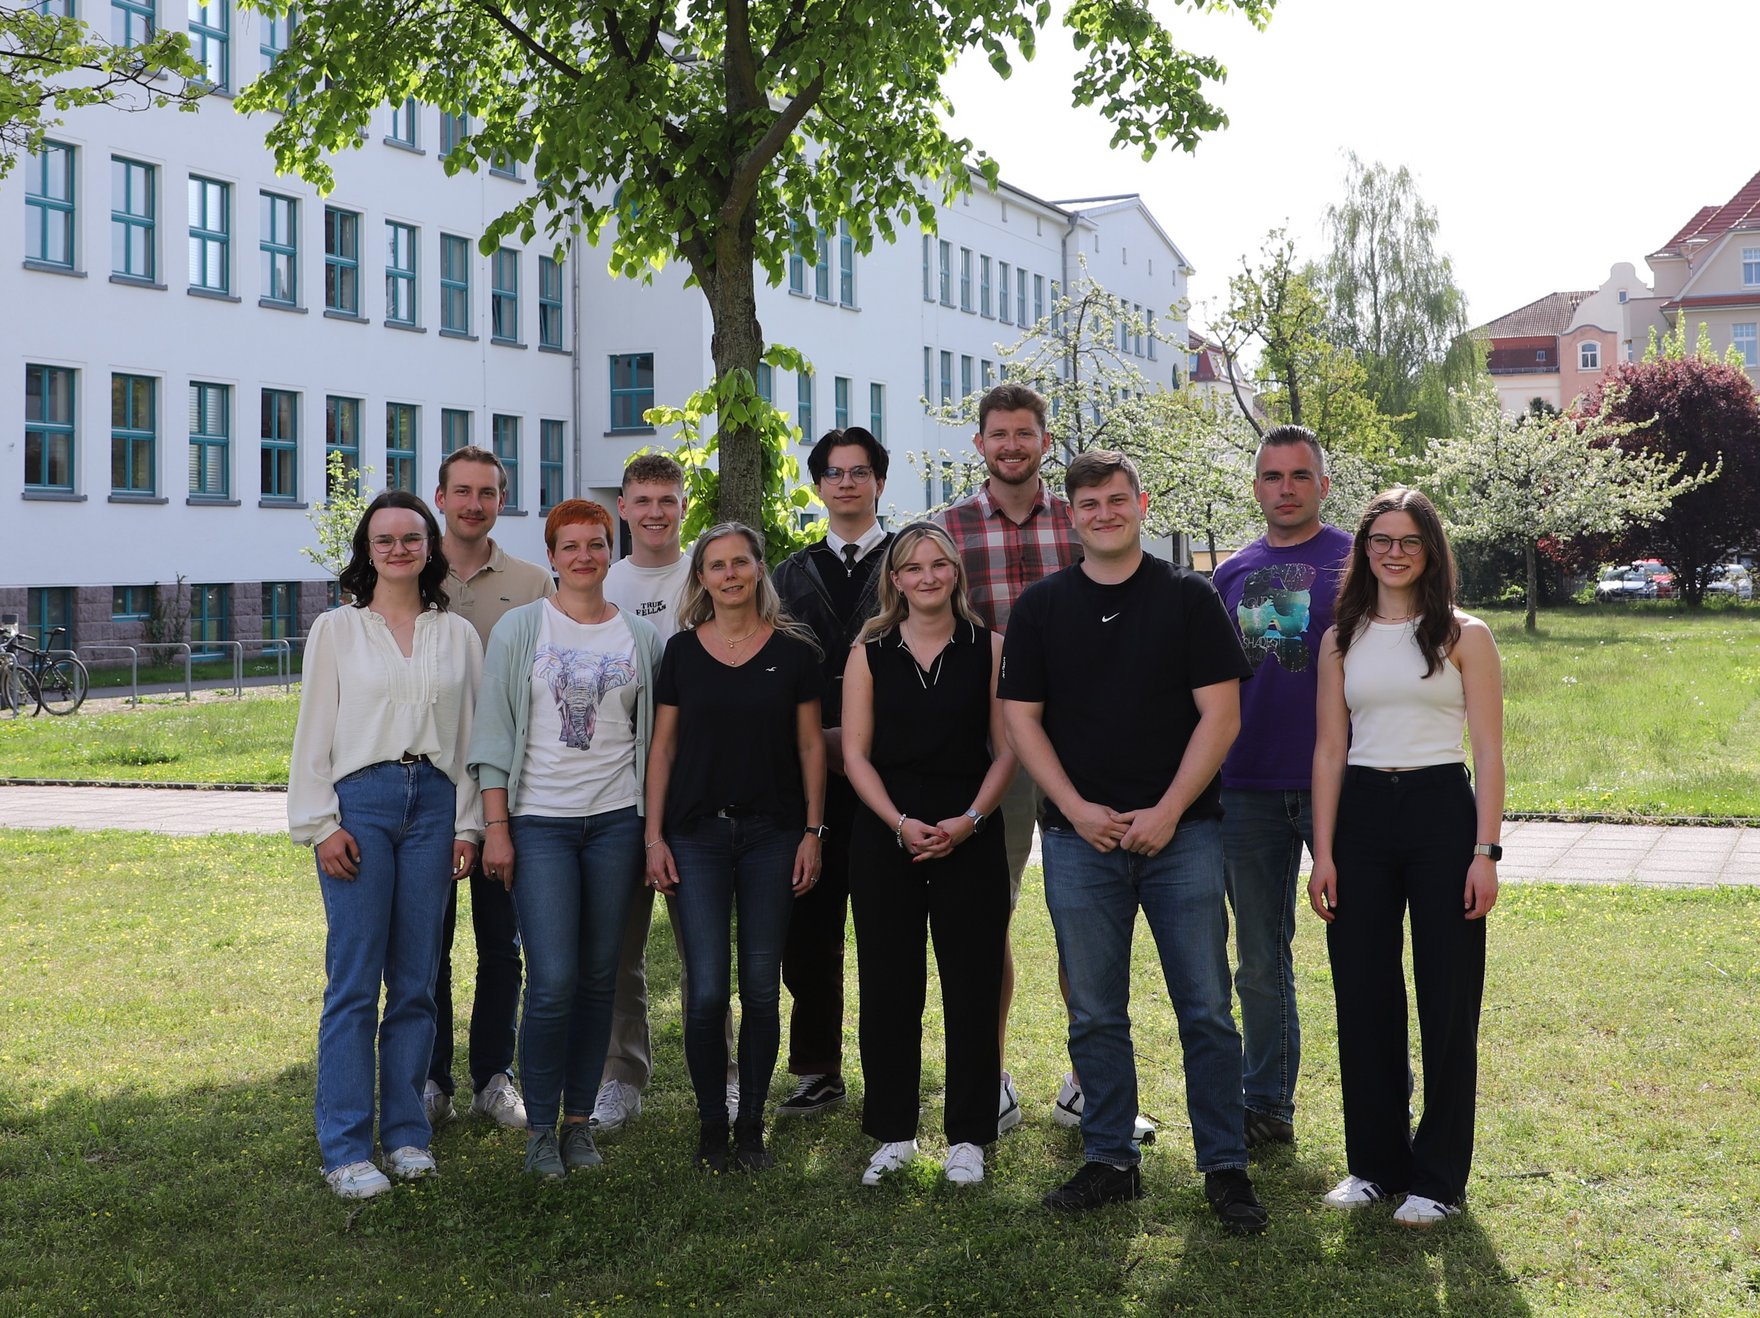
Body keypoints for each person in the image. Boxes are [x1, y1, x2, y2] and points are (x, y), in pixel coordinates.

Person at [998, 450, 1267, 1232]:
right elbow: (1021, 720)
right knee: (1093, 1012)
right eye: (1089, 504)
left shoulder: (1187, 598)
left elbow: (1221, 716)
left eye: (1117, 500)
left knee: (1206, 1008)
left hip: (1183, 837)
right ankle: (1110, 1160)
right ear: (1071, 515)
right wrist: (1075, 808)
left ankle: (1225, 1167)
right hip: (1080, 840)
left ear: (1141, 505)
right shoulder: (1043, 606)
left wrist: (1168, 811)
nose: (1105, 513)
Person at [938, 382, 1151, 1142]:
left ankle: (1087, 1084)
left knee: (1084, 919)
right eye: (998, 434)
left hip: (1081, 749)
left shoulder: (1082, 521)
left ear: (1045, 442)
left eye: (1024, 433)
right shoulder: (948, 531)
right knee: (984, 915)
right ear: (980, 444)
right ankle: (989, 1076)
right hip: (985, 751)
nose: (1011, 446)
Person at [1307, 487, 1505, 1229]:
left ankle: (1439, 1178)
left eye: (1409, 541)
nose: (1394, 553)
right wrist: (1323, 852)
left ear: (1430, 550)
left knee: (1447, 996)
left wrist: (1485, 851)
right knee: (1363, 992)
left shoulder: (1464, 635)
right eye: (1381, 540)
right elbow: (1330, 750)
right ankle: (1375, 1165)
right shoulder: (1340, 638)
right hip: (1361, 815)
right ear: (1364, 550)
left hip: (1440, 813)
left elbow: (1488, 752)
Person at [289, 490, 483, 1199]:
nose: (399, 549)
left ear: (430, 548)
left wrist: (468, 825)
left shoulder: (457, 634)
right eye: (385, 539)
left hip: (433, 805)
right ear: (367, 551)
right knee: (353, 983)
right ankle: (345, 1150)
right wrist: (321, 824)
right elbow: (313, 730)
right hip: (359, 806)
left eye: (411, 538)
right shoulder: (337, 629)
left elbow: (471, 737)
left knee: (416, 982)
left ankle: (406, 1136)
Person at [467, 500, 664, 1179]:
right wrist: (497, 827)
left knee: (599, 979)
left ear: (612, 551)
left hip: (616, 824)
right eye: (570, 546)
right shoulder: (522, 628)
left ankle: (579, 1124)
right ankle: (540, 1131)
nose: (584, 556)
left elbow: (655, 744)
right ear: (551, 556)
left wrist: (651, 834)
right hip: (539, 824)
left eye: (596, 544)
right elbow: (493, 733)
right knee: (552, 981)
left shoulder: (641, 638)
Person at [644, 523, 828, 1173]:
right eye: (716, 565)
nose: (729, 575)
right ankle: (710, 1126)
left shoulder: (794, 652)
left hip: (773, 837)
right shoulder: (681, 653)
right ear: (701, 577)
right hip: (694, 837)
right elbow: (663, 748)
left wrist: (813, 832)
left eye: (740, 563)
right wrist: (654, 836)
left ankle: (751, 1127)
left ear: (758, 570)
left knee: (760, 989)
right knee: (704, 994)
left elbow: (811, 746)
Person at [841, 522, 1016, 1187]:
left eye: (938, 564)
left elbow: (1006, 750)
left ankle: (969, 1137)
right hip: (887, 832)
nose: (927, 577)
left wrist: (969, 821)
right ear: (896, 580)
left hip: (969, 829)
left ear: (956, 572)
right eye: (913, 568)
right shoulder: (869, 652)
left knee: (973, 985)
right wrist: (898, 822)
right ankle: (894, 1134)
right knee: (889, 984)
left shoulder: (989, 647)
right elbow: (854, 755)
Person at [1211, 425, 1352, 1149]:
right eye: (1273, 476)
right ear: (1256, 487)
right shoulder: (1231, 574)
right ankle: (1266, 1106)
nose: (1286, 489)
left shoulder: (1359, 562)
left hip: (1344, 785)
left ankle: (1382, 1110)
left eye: (1300, 476)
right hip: (1247, 789)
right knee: (1260, 962)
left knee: (1362, 954)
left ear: (1322, 485)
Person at [593, 453, 738, 1136]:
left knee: (704, 949)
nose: (656, 512)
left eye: (668, 500)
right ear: (623, 507)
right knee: (618, 945)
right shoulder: (603, 580)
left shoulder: (709, 574)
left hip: (698, 788)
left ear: (685, 507)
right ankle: (620, 1075)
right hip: (614, 786)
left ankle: (727, 1075)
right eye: (643, 500)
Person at [426, 446, 556, 1132]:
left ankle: (493, 1077)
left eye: (487, 493)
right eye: (462, 491)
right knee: (428, 944)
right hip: (430, 791)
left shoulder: (533, 583)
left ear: (502, 501)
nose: (474, 504)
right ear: (440, 497)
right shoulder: (412, 571)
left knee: (502, 943)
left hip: (508, 790)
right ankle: (431, 1078)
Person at [770, 427, 893, 1118]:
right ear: (818, 486)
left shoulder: (910, 562)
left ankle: (887, 1069)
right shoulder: (789, 574)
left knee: (884, 931)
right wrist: (814, 738)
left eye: (860, 471)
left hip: (890, 774)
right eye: (835, 473)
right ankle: (817, 1068)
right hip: (809, 775)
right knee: (809, 931)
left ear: (879, 482)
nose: (847, 483)